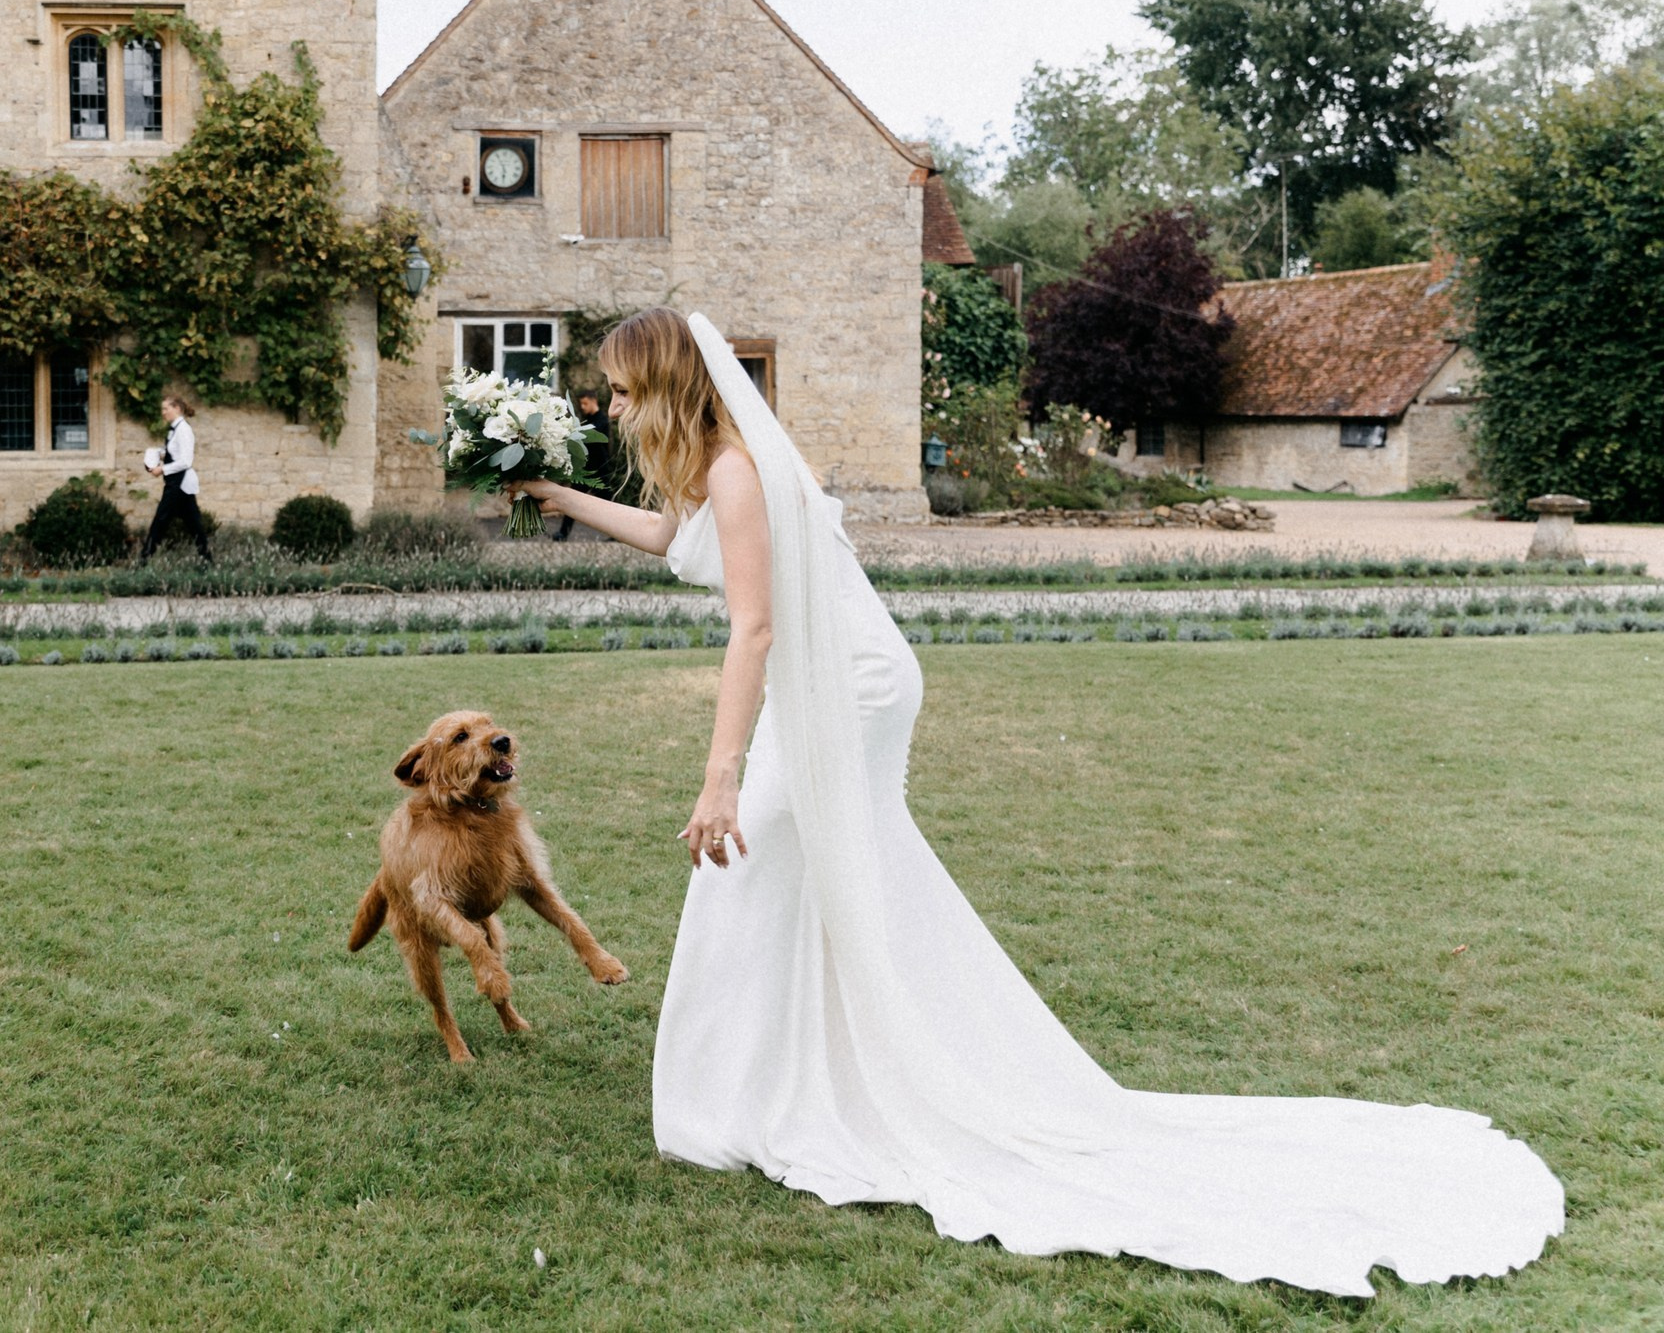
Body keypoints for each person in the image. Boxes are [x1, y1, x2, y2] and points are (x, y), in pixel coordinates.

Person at [507, 307, 1561, 1298]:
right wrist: (559, 499)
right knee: (795, 875)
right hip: (829, 687)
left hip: (849, 690)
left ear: (668, 386)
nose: (613, 409)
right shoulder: (718, 475)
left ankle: (804, 1088)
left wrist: (720, 772)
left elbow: (754, 630)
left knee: (745, 858)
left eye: (621, 391)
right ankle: (791, 1075)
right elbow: (667, 542)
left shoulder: (739, 473)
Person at [139, 393, 211, 564]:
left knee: (160, 520)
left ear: (177, 409)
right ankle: (207, 561)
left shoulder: (184, 430)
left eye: (166, 408)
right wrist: (158, 455)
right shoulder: (175, 430)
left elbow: (186, 461)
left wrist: (161, 469)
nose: (163, 412)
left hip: (179, 483)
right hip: (177, 483)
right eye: (162, 409)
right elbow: (175, 454)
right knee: (194, 525)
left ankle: (144, 560)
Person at [551, 389, 612, 542]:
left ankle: (618, 534)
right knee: (573, 502)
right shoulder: (588, 420)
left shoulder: (601, 420)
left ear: (593, 400)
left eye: (585, 403)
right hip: (585, 470)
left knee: (609, 504)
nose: (583, 407)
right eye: (581, 404)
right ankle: (563, 533)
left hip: (599, 470)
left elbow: (589, 436)